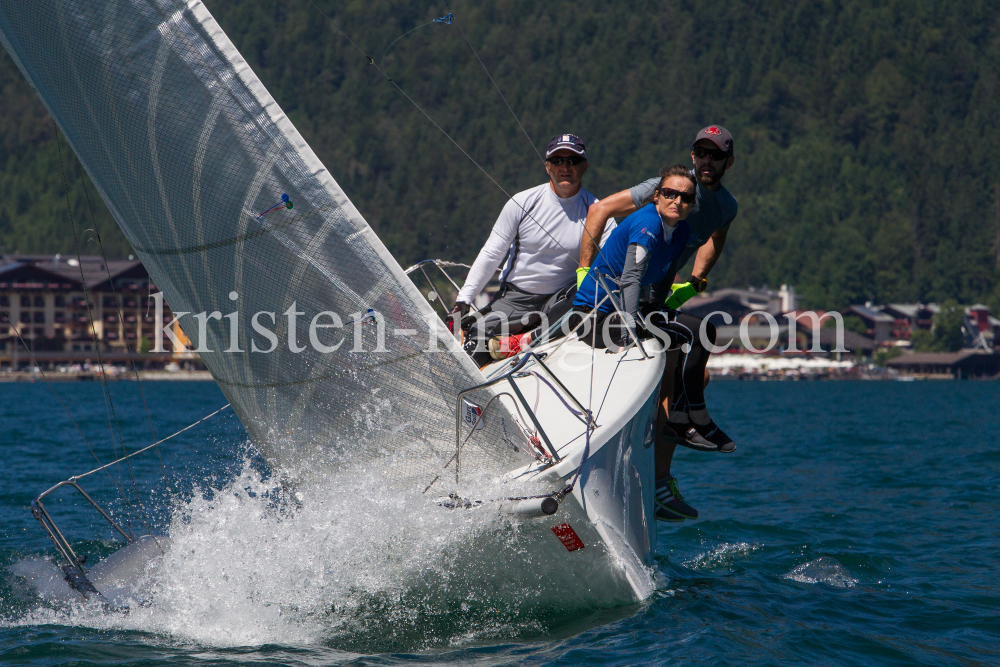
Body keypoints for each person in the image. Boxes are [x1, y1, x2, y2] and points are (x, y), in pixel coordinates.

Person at [576, 126, 739, 523]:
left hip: (647, 298)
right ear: (659, 193)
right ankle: (660, 467)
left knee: (696, 355)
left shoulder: (710, 212)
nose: (706, 161)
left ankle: (669, 458)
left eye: (714, 156)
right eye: (700, 152)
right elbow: (606, 224)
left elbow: (708, 242)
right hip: (607, 304)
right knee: (673, 362)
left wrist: (693, 283)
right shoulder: (657, 204)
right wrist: (584, 269)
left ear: (727, 163)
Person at [450, 134, 612, 366]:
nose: (565, 167)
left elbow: (611, 263)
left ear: (584, 166)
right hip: (516, 299)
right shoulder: (523, 202)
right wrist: (463, 301)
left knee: (583, 293)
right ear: (547, 167)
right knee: (476, 342)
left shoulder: (597, 211)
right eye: (557, 161)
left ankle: (522, 342)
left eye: (572, 161)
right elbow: (492, 253)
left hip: (561, 301)